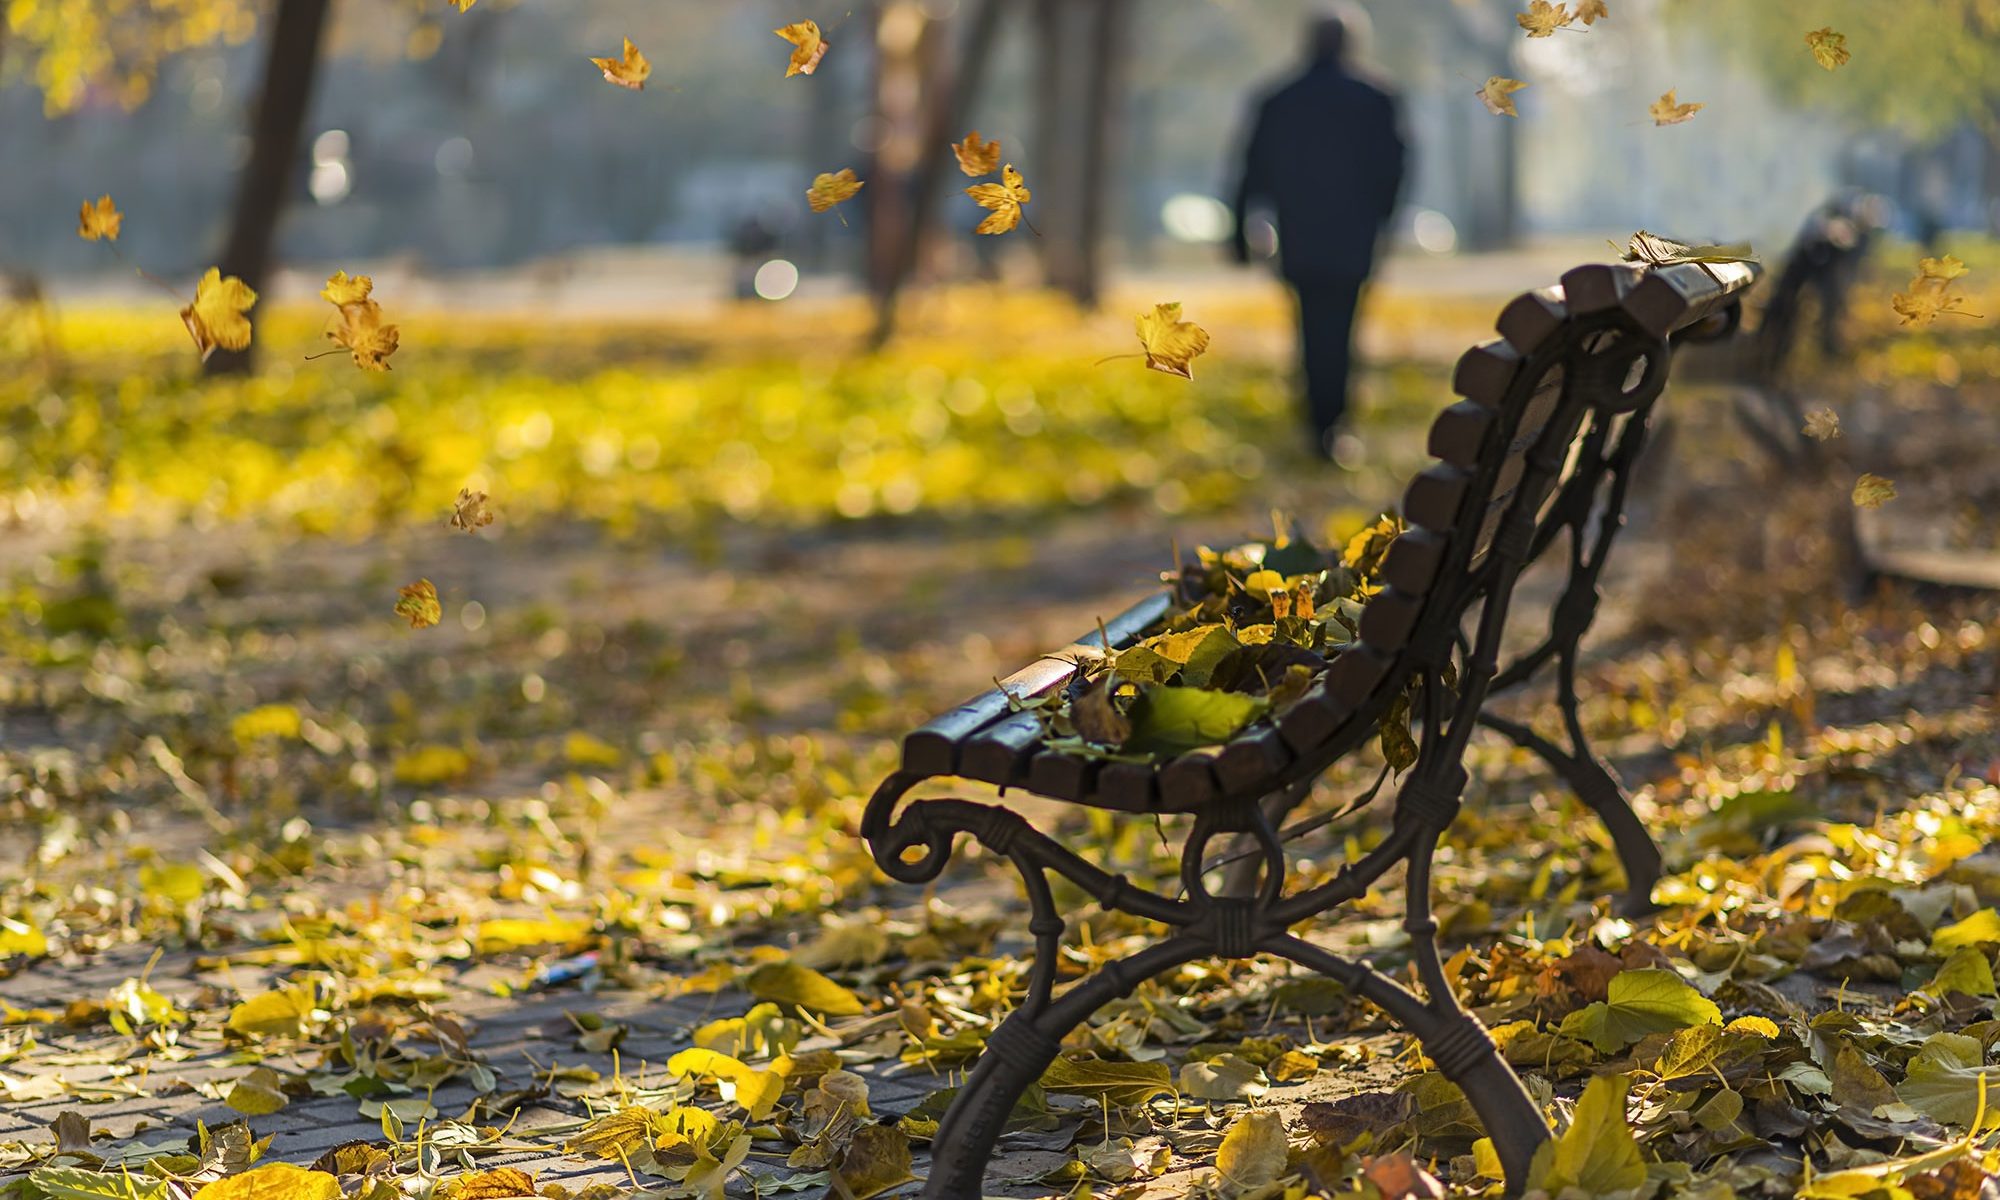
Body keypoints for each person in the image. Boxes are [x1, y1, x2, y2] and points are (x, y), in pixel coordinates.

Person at [1229, 4, 1406, 460]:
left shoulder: (1278, 98)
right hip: (1353, 237)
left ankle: (1317, 424)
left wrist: (1239, 231)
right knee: (1345, 327)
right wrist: (1382, 219)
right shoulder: (1377, 98)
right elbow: (1395, 168)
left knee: (1308, 327)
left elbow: (1250, 171)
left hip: (1301, 236)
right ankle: (1336, 422)